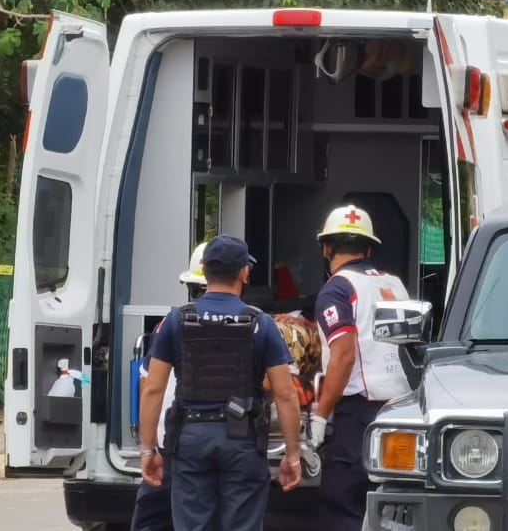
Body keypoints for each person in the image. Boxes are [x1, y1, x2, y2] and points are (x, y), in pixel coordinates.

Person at [139, 235, 303, 531]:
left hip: (190, 439)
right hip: (242, 439)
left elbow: (152, 388)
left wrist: (148, 450)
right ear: (244, 272)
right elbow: (286, 394)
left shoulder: (176, 321)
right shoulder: (260, 323)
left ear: (204, 269)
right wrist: (292, 454)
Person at [307, 204, 414, 531]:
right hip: (402, 410)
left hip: (359, 416)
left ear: (326, 248)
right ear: (369, 248)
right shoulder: (394, 284)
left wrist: (320, 416)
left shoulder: (338, 289)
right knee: (392, 506)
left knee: (344, 503)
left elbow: (343, 357)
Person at [130, 243, 208, 531]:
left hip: (173, 444)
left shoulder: (171, 324)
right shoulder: (251, 322)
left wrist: (147, 448)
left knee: (152, 518)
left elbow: (148, 385)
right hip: (227, 444)